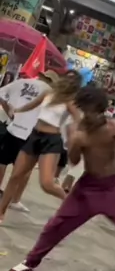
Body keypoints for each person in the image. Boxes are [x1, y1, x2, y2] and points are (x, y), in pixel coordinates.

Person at [8, 86, 115, 271]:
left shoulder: (114, 126)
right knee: (56, 225)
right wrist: (74, 142)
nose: (88, 115)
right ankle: (29, 262)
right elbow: (74, 160)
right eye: (84, 110)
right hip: (88, 187)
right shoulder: (76, 130)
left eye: (93, 111)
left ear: (101, 110)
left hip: (113, 184)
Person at [0, 70, 82, 222]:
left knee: (47, 184)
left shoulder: (70, 102)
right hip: (34, 135)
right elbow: (32, 105)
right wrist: (17, 110)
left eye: (72, 80)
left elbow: (78, 120)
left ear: (75, 85)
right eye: (67, 78)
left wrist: (75, 136)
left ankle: (72, 203)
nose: (68, 82)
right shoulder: (48, 93)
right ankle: (1, 213)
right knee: (16, 175)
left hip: (51, 140)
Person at [0, 70, 58, 211]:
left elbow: (1, 94)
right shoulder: (50, 92)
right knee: (24, 171)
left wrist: (10, 112)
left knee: (2, 162)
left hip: (13, 128)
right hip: (31, 134)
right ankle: (15, 199)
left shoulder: (21, 82)